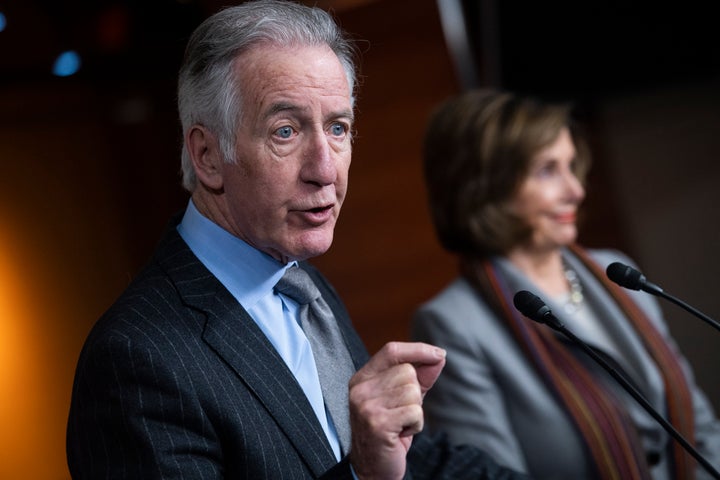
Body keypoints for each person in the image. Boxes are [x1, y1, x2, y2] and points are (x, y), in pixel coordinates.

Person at [66, 2, 530, 479]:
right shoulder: (134, 359)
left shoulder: (302, 287)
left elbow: (412, 459)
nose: (325, 170)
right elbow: (370, 467)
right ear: (206, 156)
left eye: (337, 128)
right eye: (285, 132)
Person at [411, 88, 720, 479]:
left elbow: (703, 429)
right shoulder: (451, 324)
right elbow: (488, 475)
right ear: (486, 187)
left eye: (571, 165)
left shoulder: (618, 271)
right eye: (547, 170)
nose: (576, 190)